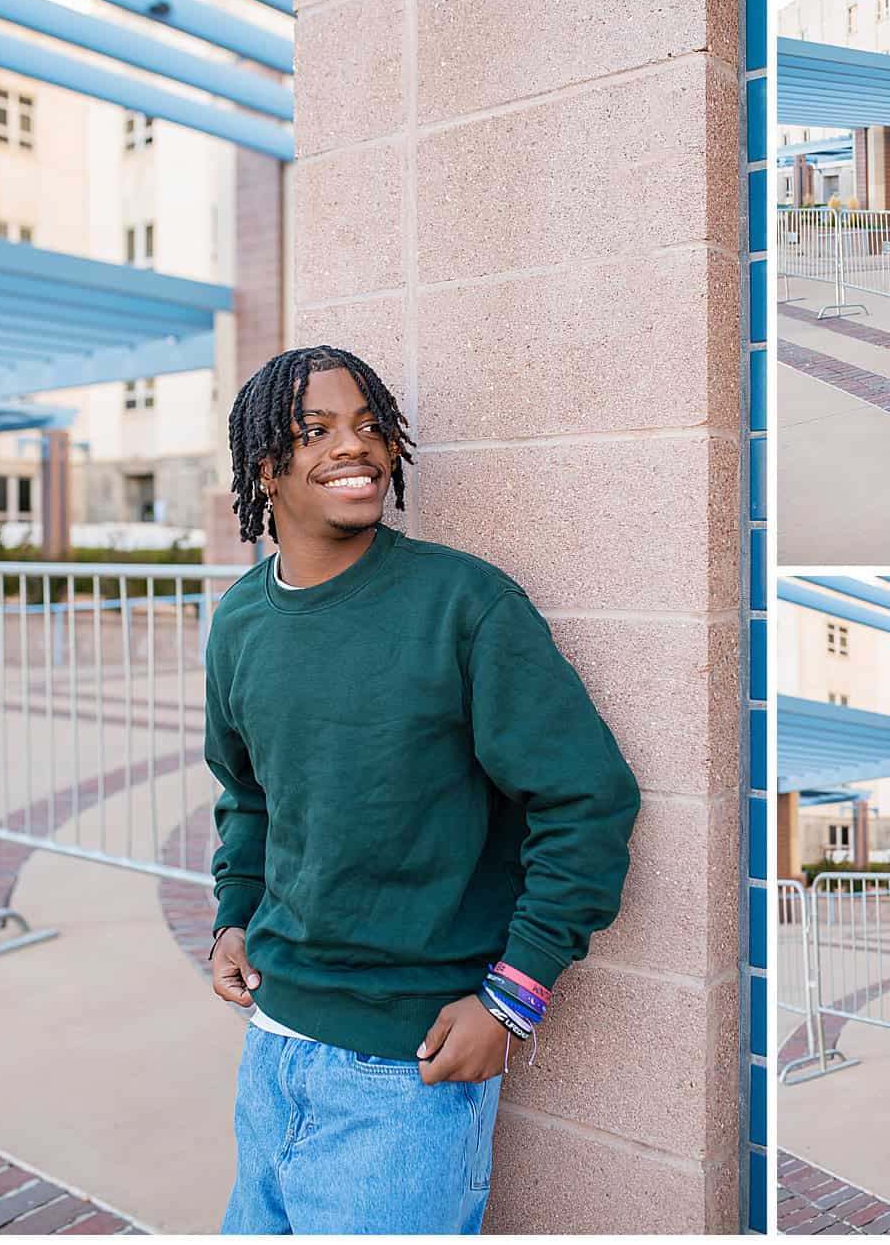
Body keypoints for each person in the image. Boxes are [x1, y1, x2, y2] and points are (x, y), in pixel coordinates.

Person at [206, 346, 640, 1234]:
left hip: (407, 1074)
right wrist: (232, 916)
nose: (353, 446)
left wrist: (514, 997)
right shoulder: (240, 621)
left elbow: (587, 801)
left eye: (371, 425)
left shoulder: (463, 604)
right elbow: (248, 796)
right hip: (271, 1051)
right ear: (265, 468)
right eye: (316, 429)